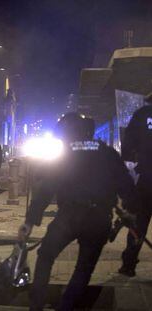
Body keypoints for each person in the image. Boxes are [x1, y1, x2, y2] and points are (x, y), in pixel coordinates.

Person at [18, 113, 138, 311]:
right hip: (99, 220)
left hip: (69, 216)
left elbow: (47, 189)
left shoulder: (66, 154)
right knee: (83, 270)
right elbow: (127, 189)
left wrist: (30, 221)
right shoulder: (108, 153)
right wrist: (129, 211)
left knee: (45, 256)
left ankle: (36, 306)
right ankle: (65, 307)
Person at [119, 93, 152, 277]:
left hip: (147, 177)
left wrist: (129, 161)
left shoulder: (142, 114)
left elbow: (128, 141)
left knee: (139, 223)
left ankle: (129, 264)